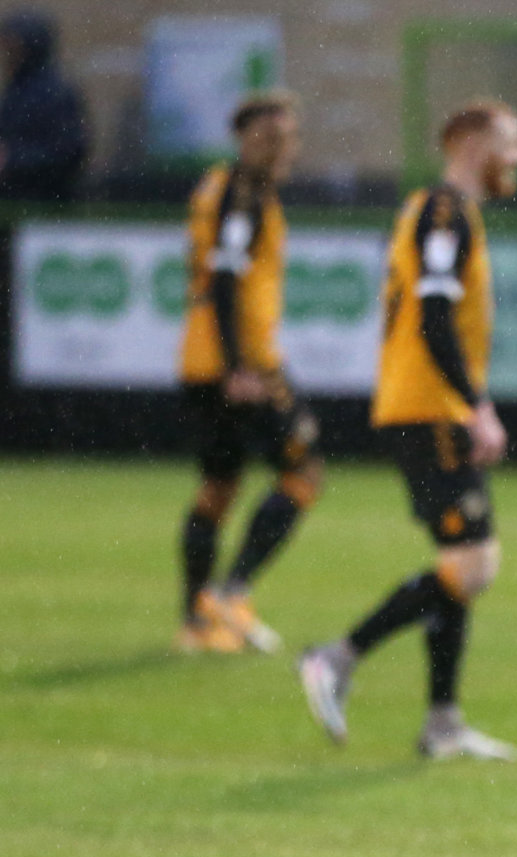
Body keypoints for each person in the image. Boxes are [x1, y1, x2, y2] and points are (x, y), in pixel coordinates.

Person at [297, 101, 517, 762]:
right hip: (429, 408)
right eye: (511, 144)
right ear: (472, 143)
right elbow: (433, 317)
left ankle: (442, 722)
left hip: (427, 406)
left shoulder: (452, 213)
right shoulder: (444, 211)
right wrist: (476, 404)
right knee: (473, 562)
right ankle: (336, 657)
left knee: (460, 563)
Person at [173, 91, 320, 655]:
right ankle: (231, 594)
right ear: (243, 139)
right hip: (242, 366)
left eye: (286, 138)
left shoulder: (220, 186)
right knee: (305, 474)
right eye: (267, 137)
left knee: (217, 489)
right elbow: (227, 281)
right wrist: (239, 367)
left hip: (200, 360)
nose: (280, 148)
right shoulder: (242, 195)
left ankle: (196, 621)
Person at [0, 10, 88, 202]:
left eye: (13, 47)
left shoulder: (55, 93)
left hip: (45, 203)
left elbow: (68, 152)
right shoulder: (15, 91)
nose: (7, 55)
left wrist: (13, 159)